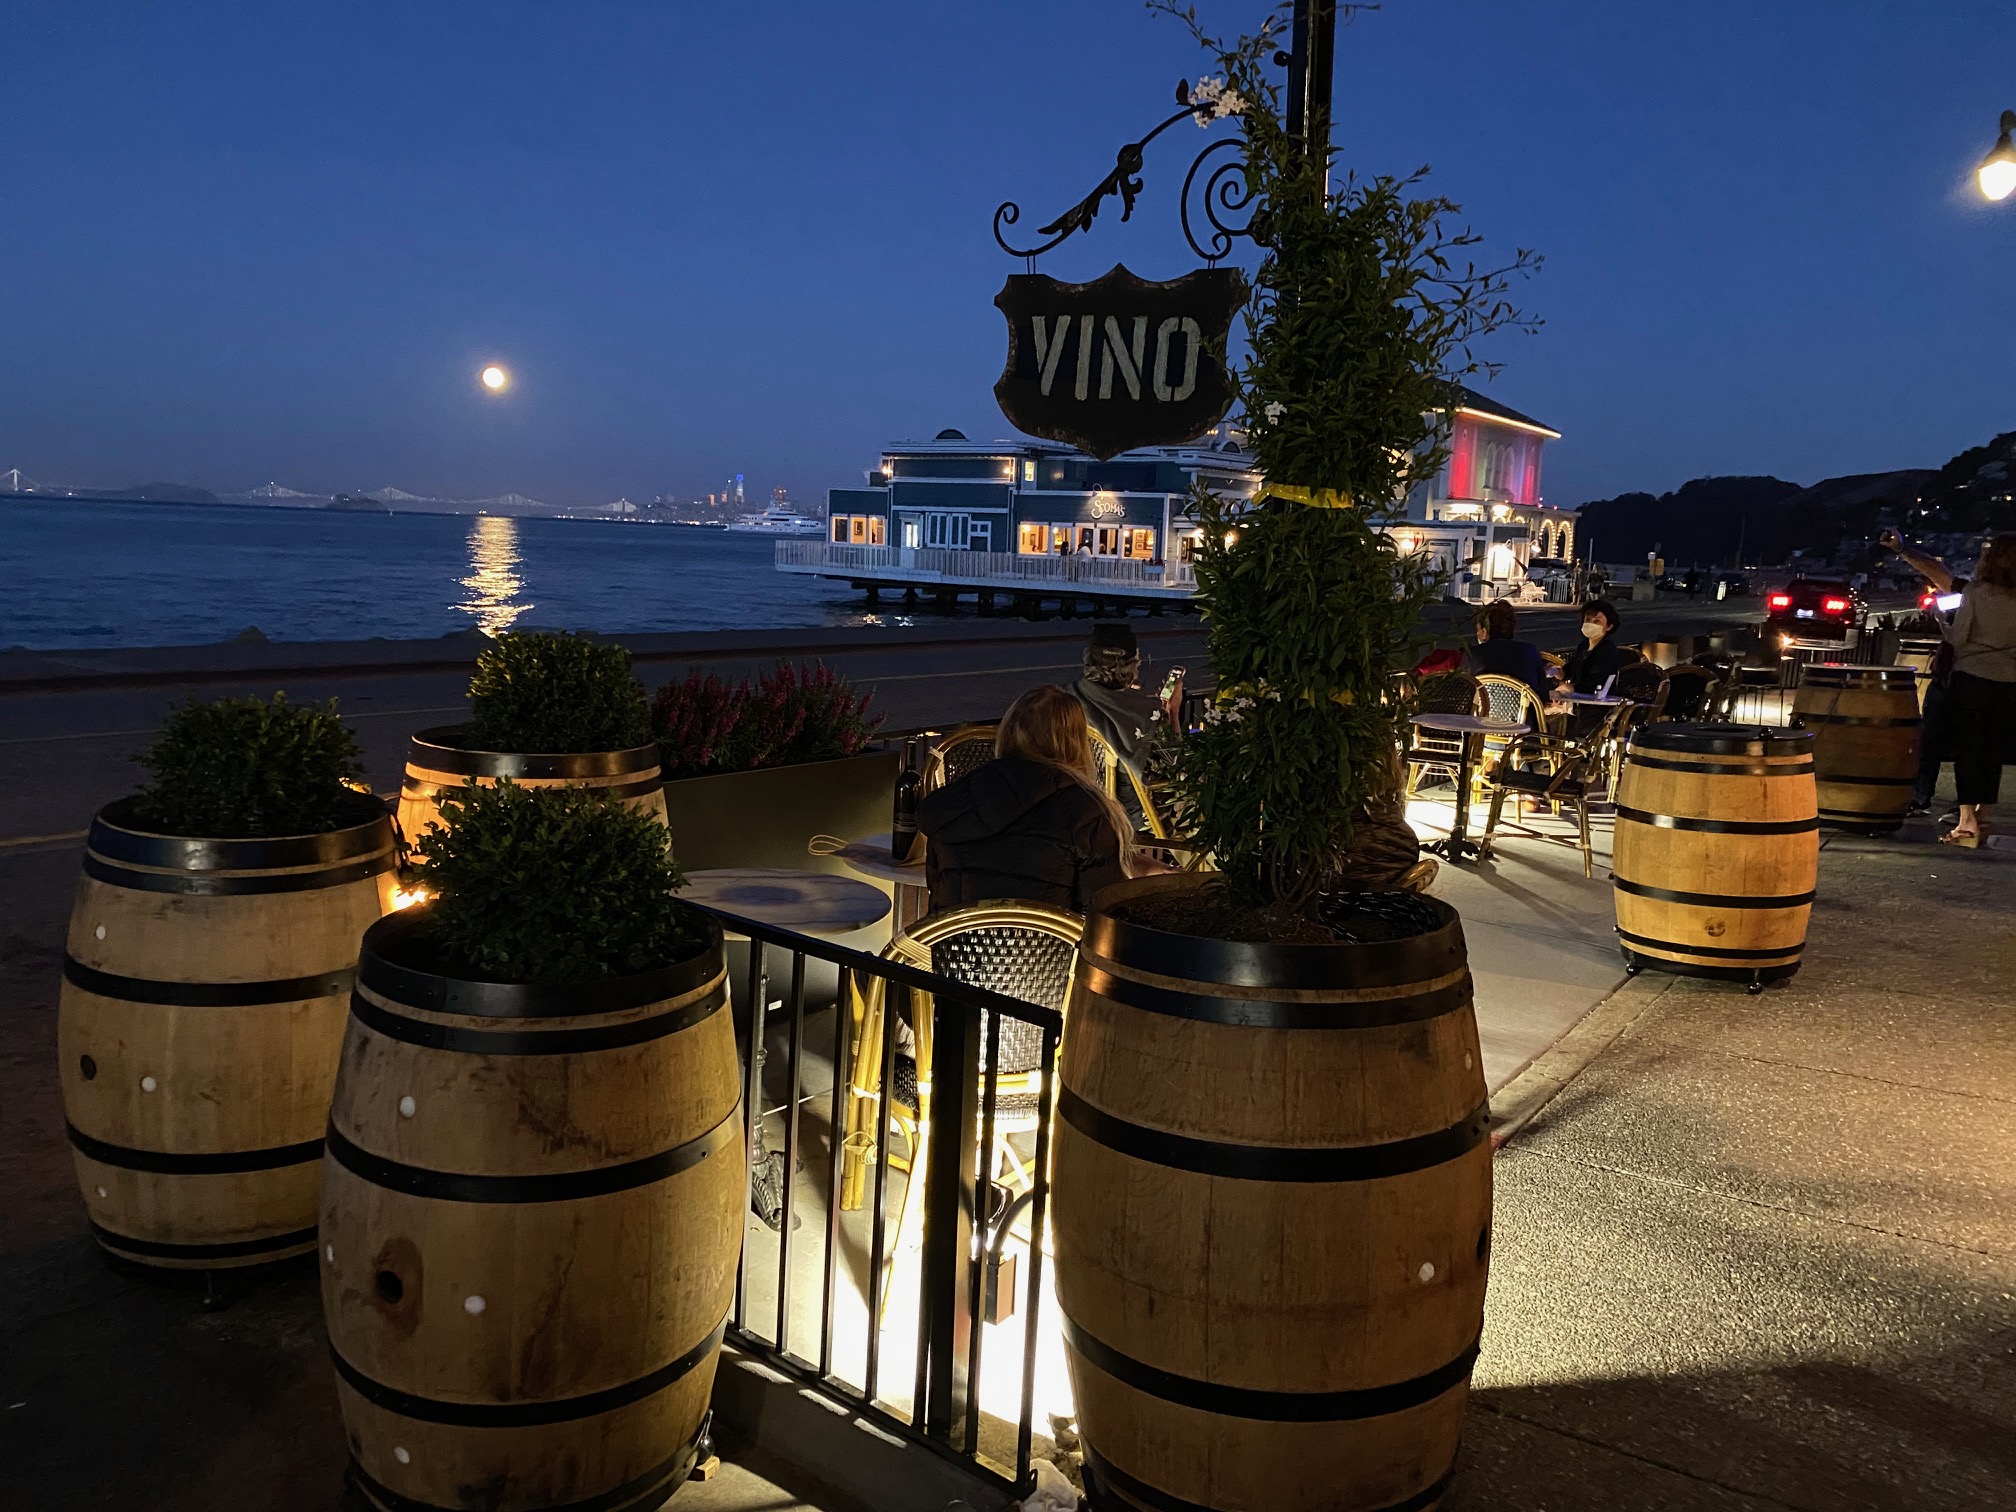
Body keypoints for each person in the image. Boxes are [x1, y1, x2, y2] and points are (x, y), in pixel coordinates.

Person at [917, 684, 1138, 911]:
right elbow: (1103, 907)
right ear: (1076, 741)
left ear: (1008, 731)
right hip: (1048, 945)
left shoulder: (956, 799)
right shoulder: (1086, 810)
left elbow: (937, 888)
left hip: (953, 942)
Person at [1939, 533, 2016, 847]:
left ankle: (1966, 823)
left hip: (1972, 678)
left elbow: (1958, 639)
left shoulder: (1975, 592)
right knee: (1993, 750)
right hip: (2009, 681)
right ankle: (1986, 815)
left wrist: (1941, 622)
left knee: (1968, 749)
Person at [1881, 529, 1958, 815]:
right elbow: (1939, 574)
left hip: (1975, 676)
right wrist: (1903, 550)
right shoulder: (1976, 593)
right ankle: (1924, 797)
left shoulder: (1989, 597)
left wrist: (1902, 550)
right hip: (1948, 674)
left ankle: (1963, 807)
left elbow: (1940, 575)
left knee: (1969, 745)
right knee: (1931, 739)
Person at [1065, 623, 1179, 789]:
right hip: (1128, 811)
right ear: (1133, 665)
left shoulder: (1067, 696)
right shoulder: (1148, 713)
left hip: (1081, 796)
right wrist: (1173, 712)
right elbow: (1173, 768)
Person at [1461, 599, 1550, 715]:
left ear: (1484, 631)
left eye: (1478, 629)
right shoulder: (1530, 651)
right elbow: (1542, 694)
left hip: (1481, 724)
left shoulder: (1473, 655)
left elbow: (1465, 694)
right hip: (1522, 725)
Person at [1554, 599, 1631, 700]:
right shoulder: (1584, 646)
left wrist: (1569, 687)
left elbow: (1592, 684)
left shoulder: (1607, 651)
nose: (1591, 624)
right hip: (1576, 701)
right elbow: (1570, 670)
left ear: (1609, 626)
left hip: (1596, 705)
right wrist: (1558, 672)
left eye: (1597, 621)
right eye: (1588, 620)